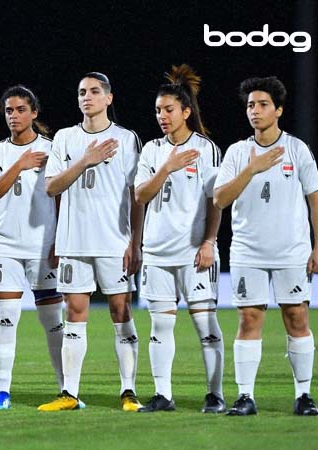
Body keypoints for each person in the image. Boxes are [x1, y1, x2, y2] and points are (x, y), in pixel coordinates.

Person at [214, 76, 318, 416]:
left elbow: (316, 201)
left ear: (278, 110)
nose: (255, 111)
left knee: (296, 317)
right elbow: (219, 199)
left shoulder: (297, 149)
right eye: (250, 105)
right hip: (248, 252)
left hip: (292, 251)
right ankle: (245, 396)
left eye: (263, 104)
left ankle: (304, 396)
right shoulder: (237, 152)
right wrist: (251, 168)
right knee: (249, 319)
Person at [39, 73, 143, 412]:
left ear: (109, 98)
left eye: (95, 91)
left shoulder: (126, 139)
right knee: (75, 312)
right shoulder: (66, 139)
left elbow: (136, 195)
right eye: (82, 91)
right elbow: (51, 187)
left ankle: (128, 391)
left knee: (121, 311)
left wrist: (136, 242)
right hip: (74, 241)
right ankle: (69, 393)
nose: (88, 97)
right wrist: (85, 160)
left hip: (115, 243)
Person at [133, 65, 225, 413]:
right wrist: (167, 167)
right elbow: (141, 195)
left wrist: (209, 242)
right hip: (157, 253)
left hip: (192, 254)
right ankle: (163, 395)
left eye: (168, 109)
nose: (162, 116)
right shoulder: (153, 151)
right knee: (160, 325)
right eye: (158, 110)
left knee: (205, 324)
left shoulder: (206, 149)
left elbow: (215, 200)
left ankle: (214, 395)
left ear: (186, 111)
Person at [0, 85, 65, 410]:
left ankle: (65, 389)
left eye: (19, 110)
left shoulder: (52, 149)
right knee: (6, 319)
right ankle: (2, 392)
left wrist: (61, 240)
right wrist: (21, 164)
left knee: (53, 320)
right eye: (8, 111)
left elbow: (61, 197)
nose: (13, 116)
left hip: (43, 246)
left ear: (34, 112)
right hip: (5, 247)